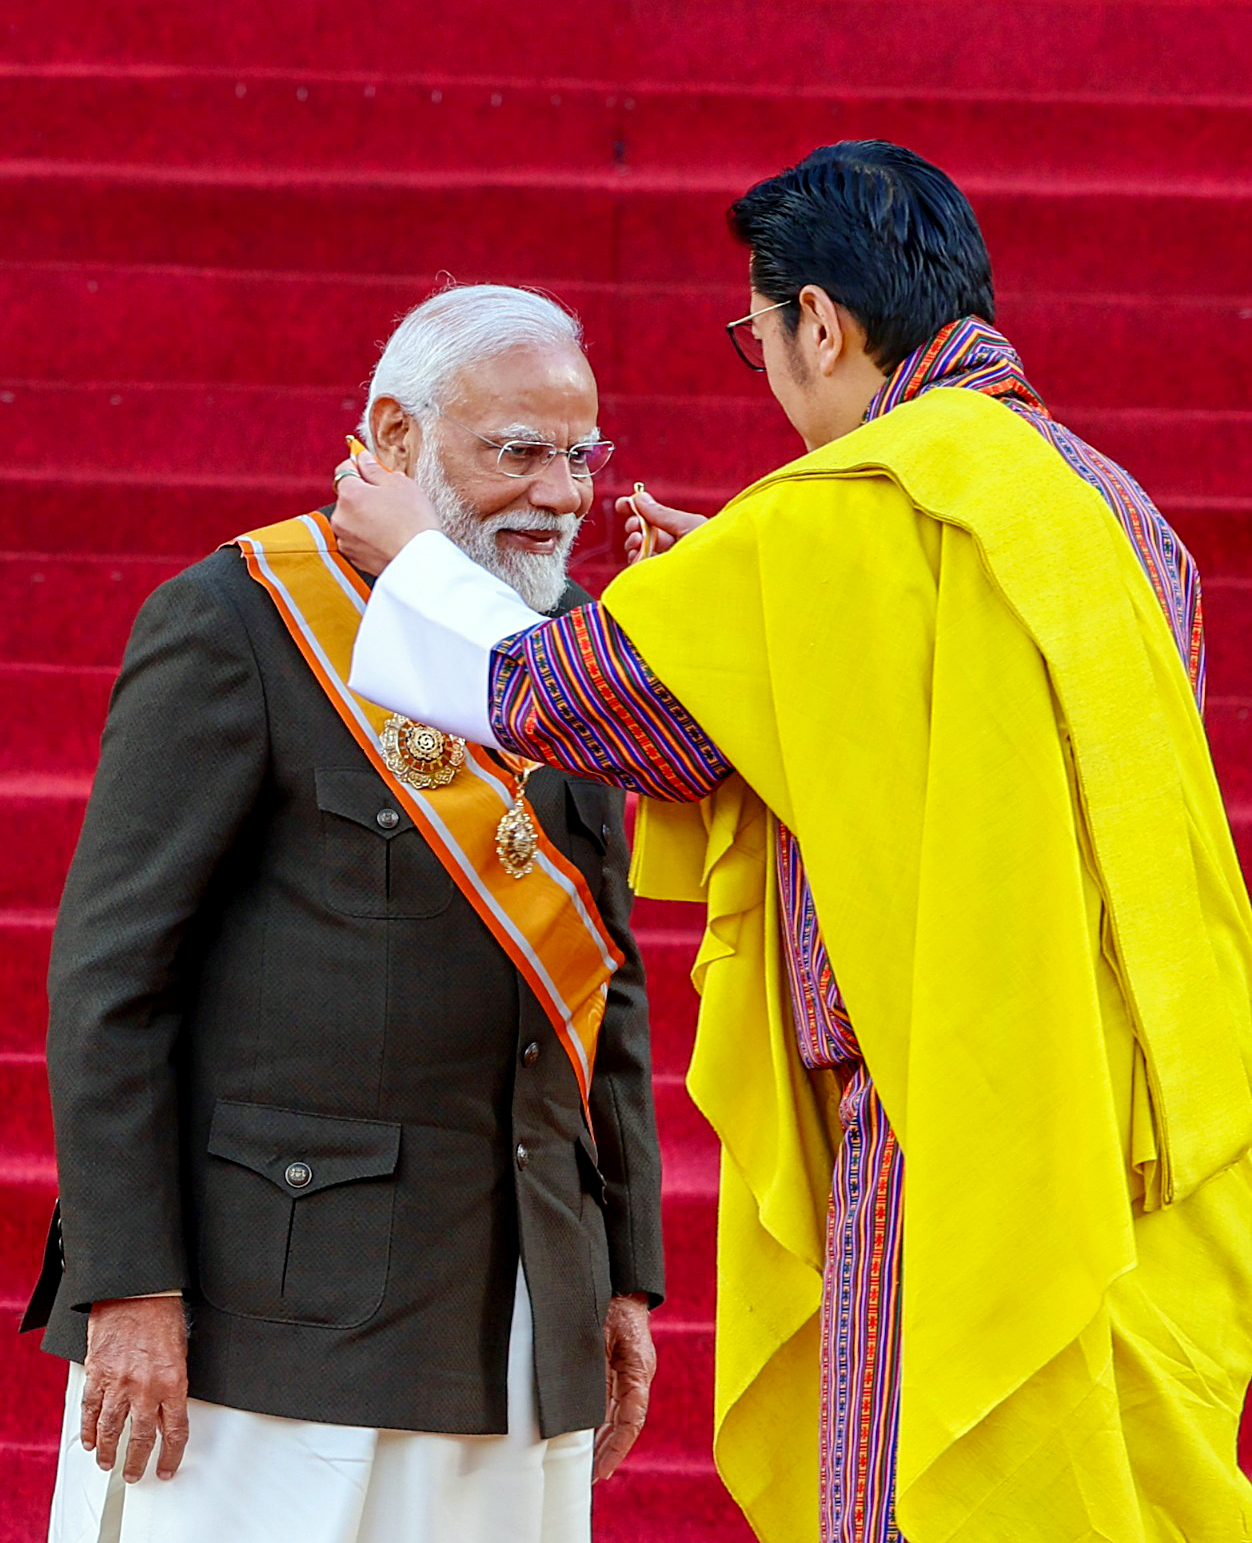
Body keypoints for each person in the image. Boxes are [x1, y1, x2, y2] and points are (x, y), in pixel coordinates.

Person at [335, 144, 1252, 1543]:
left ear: (821, 320)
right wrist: (753, 613)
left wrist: (413, 559)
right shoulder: (1114, 509)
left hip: (954, 1103)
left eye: (754, 335)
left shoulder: (865, 504)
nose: (763, 368)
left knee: (917, 1488)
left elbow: (557, 698)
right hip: (1134, 1118)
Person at [22, 284, 663, 1543]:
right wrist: (131, 1288)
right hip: (268, 1328)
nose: (562, 493)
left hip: (514, 1305)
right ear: (396, 435)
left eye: (580, 454)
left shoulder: (565, 649)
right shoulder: (239, 622)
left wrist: (620, 1269)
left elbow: (604, 984)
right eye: (516, 452)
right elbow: (112, 979)